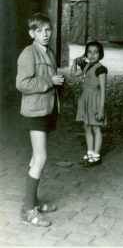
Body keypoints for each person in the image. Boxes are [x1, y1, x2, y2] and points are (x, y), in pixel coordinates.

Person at [16, 13, 65, 227]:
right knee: (40, 158)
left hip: (46, 109)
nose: (45, 34)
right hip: (35, 112)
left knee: (37, 157)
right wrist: (49, 81)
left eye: (48, 30)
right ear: (31, 33)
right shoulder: (29, 53)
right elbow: (22, 83)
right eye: (40, 31)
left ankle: (33, 201)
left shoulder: (49, 52)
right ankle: (28, 210)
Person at [70, 41, 108, 167]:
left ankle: (96, 155)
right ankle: (90, 152)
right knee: (86, 126)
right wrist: (75, 62)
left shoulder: (101, 69)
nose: (92, 55)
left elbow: (103, 89)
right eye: (89, 52)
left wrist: (101, 109)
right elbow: (73, 74)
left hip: (95, 100)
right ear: (85, 54)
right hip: (85, 98)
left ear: (100, 54)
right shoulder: (86, 66)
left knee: (96, 128)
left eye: (95, 52)